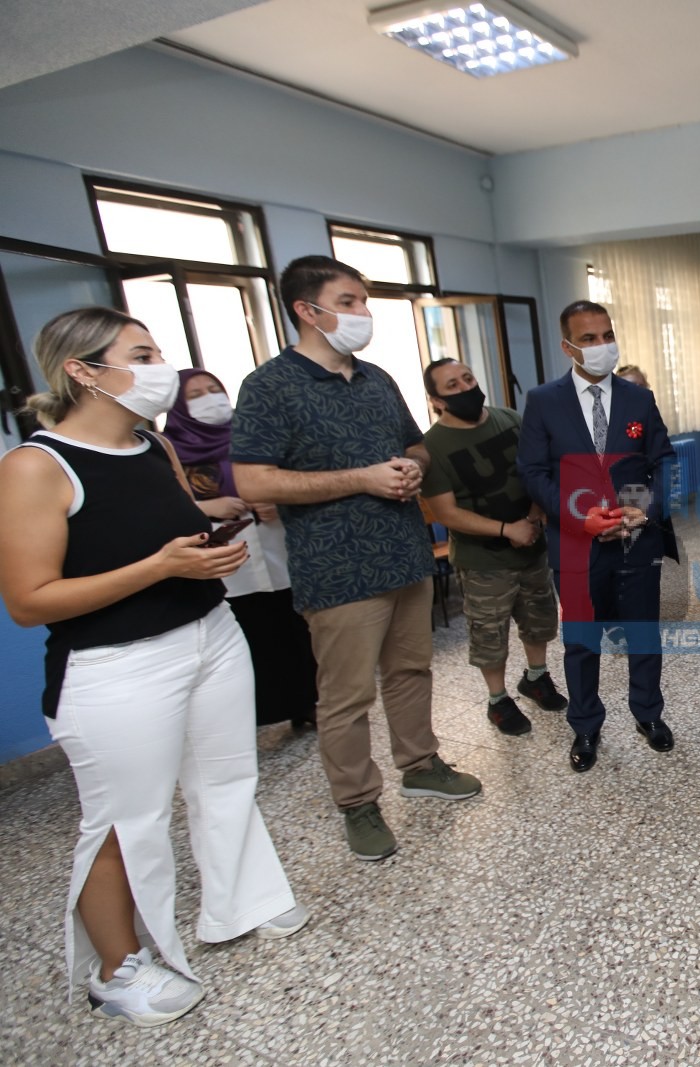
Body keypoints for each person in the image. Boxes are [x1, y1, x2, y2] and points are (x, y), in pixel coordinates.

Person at [0, 308, 307, 1028]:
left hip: (210, 635)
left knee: (226, 780)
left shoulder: (152, 444)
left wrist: (206, 546)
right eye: (140, 355)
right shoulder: (37, 466)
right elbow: (29, 599)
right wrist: (160, 567)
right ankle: (117, 969)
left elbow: (163, 532)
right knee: (123, 818)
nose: (159, 367)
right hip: (116, 665)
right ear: (83, 371)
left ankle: (241, 901)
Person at [232, 255, 481, 863]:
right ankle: (357, 802)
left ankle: (420, 764)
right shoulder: (269, 386)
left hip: (404, 554)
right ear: (306, 310)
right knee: (346, 696)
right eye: (348, 302)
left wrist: (411, 468)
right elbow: (255, 481)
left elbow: (416, 446)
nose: (362, 313)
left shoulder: (377, 379)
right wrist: (361, 479)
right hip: (337, 568)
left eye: (363, 302)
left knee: (411, 671)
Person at [517, 300, 678, 772]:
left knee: (643, 634)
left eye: (607, 335)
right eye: (589, 339)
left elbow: (663, 461)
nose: (602, 345)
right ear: (568, 347)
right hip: (576, 545)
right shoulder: (543, 401)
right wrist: (578, 516)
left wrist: (644, 509)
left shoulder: (638, 399)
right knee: (582, 641)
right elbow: (533, 472)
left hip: (635, 540)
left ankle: (648, 714)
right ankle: (586, 725)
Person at [419, 358, 567, 736]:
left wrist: (533, 515)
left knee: (539, 620)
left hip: (531, 545)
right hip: (483, 560)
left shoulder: (510, 419)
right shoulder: (431, 447)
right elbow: (445, 513)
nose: (465, 388)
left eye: (467, 378)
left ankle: (536, 677)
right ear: (436, 400)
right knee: (490, 634)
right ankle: (498, 700)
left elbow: (537, 471)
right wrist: (506, 530)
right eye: (452, 385)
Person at [166, 369, 318, 729]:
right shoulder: (169, 450)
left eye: (214, 389)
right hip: (227, 565)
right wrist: (207, 507)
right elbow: (164, 507)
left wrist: (276, 501)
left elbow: (291, 478)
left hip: (276, 551)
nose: (210, 398)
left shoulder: (252, 437)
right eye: (196, 395)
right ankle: (255, 715)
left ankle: (306, 704)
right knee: (252, 636)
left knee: (293, 631)